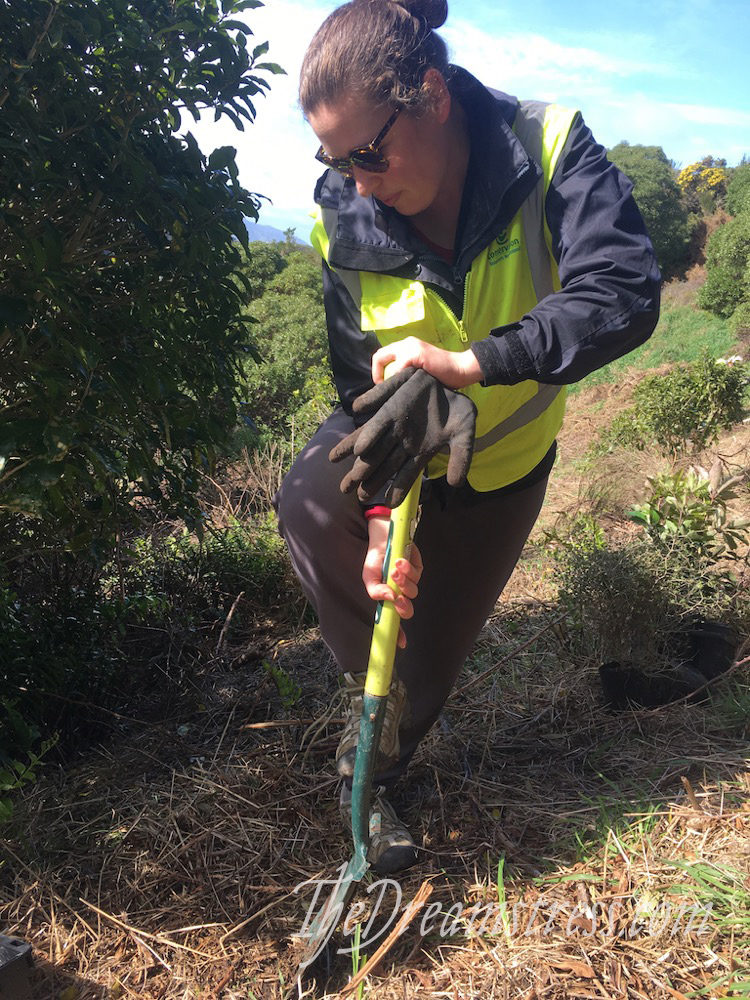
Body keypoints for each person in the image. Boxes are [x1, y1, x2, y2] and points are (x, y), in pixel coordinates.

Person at [274, 0, 660, 874]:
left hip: (506, 468)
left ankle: (399, 725)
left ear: (433, 95)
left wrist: (477, 362)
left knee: (428, 671)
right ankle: (363, 776)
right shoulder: (346, 205)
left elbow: (626, 289)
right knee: (307, 499)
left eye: (369, 152)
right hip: (410, 445)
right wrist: (380, 510)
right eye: (335, 159)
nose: (357, 180)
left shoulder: (547, 144)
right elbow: (352, 378)